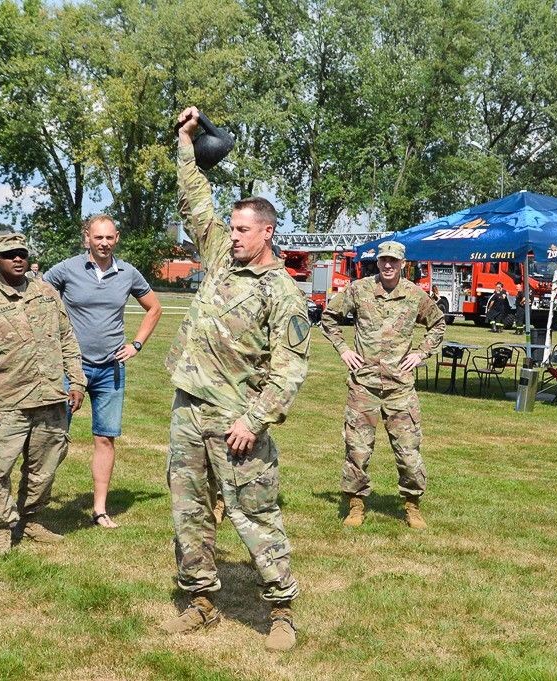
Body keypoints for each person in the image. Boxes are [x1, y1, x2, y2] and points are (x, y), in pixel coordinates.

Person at [160, 106, 310, 652]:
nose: (234, 235)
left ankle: (281, 609)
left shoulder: (282, 291)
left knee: (255, 515)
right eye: (233, 228)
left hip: (236, 420)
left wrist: (255, 418)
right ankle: (200, 599)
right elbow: (194, 198)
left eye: (244, 229)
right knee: (188, 510)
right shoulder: (221, 256)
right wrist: (186, 142)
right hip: (188, 407)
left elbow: (291, 368)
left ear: (268, 232)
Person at [0, 234, 87, 555]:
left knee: (44, 468)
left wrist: (77, 381)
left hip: (51, 399)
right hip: (4, 405)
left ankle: (31, 520)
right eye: (9, 254)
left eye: (22, 253)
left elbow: (67, 339)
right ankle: (0, 527)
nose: (17, 259)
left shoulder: (47, 293)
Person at [43, 214, 163, 529]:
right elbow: (37, 296)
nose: (104, 243)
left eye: (109, 238)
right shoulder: (67, 269)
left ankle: (99, 509)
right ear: (88, 239)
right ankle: (37, 504)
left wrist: (136, 345)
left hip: (111, 369)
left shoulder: (128, 273)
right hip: (72, 369)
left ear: (117, 238)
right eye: (98, 238)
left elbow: (155, 307)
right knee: (54, 436)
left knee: (105, 439)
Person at [321, 240, 445, 531]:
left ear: (403, 264)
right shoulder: (359, 290)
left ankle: (412, 505)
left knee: (408, 451)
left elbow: (438, 324)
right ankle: (356, 504)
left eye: (394, 261)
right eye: (383, 261)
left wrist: (420, 353)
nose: (388, 265)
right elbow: (328, 317)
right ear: (377, 263)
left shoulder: (415, 295)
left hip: (400, 388)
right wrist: (342, 349)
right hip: (363, 386)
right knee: (357, 449)